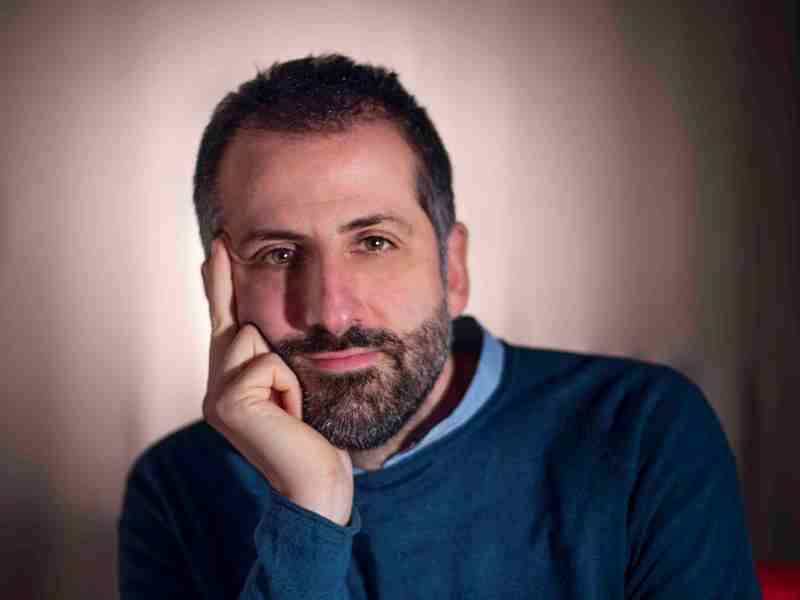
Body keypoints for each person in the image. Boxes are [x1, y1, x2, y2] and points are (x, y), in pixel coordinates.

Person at [118, 54, 761, 599]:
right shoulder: (176, 487)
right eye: (279, 254)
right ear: (220, 286)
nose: (331, 313)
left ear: (453, 268)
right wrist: (309, 510)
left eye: (373, 242)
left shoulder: (642, 431)